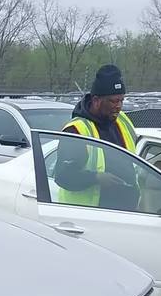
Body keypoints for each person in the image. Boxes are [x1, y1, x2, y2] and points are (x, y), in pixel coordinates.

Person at [52, 65, 140, 210]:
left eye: (121, 100)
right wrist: (96, 178)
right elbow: (63, 176)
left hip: (126, 213)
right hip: (89, 217)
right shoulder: (77, 130)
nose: (118, 106)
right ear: (97, 100)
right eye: (113, 101)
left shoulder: (122, 120)